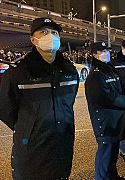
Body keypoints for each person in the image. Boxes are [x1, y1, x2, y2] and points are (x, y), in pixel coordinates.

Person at [0, 17, 79, 179]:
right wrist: (29, 126)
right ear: (33, 40)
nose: (50, 36)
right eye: (43, 32)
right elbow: (5, 109)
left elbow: (68, 102)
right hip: (32, 152)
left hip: (62, 148)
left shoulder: (69, 70)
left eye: (54, 32)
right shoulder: (18, 72)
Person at [85, 41, 125, 180]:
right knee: (105, 154)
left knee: (112, 154)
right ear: (94, 54)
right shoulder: (95, 75)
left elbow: (119, 89)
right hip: (104, 122)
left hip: (114, 119)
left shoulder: (109, 69)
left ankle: (113, 177)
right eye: (102, 51)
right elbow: (108, 97)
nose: (106, 54)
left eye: (107, 51)